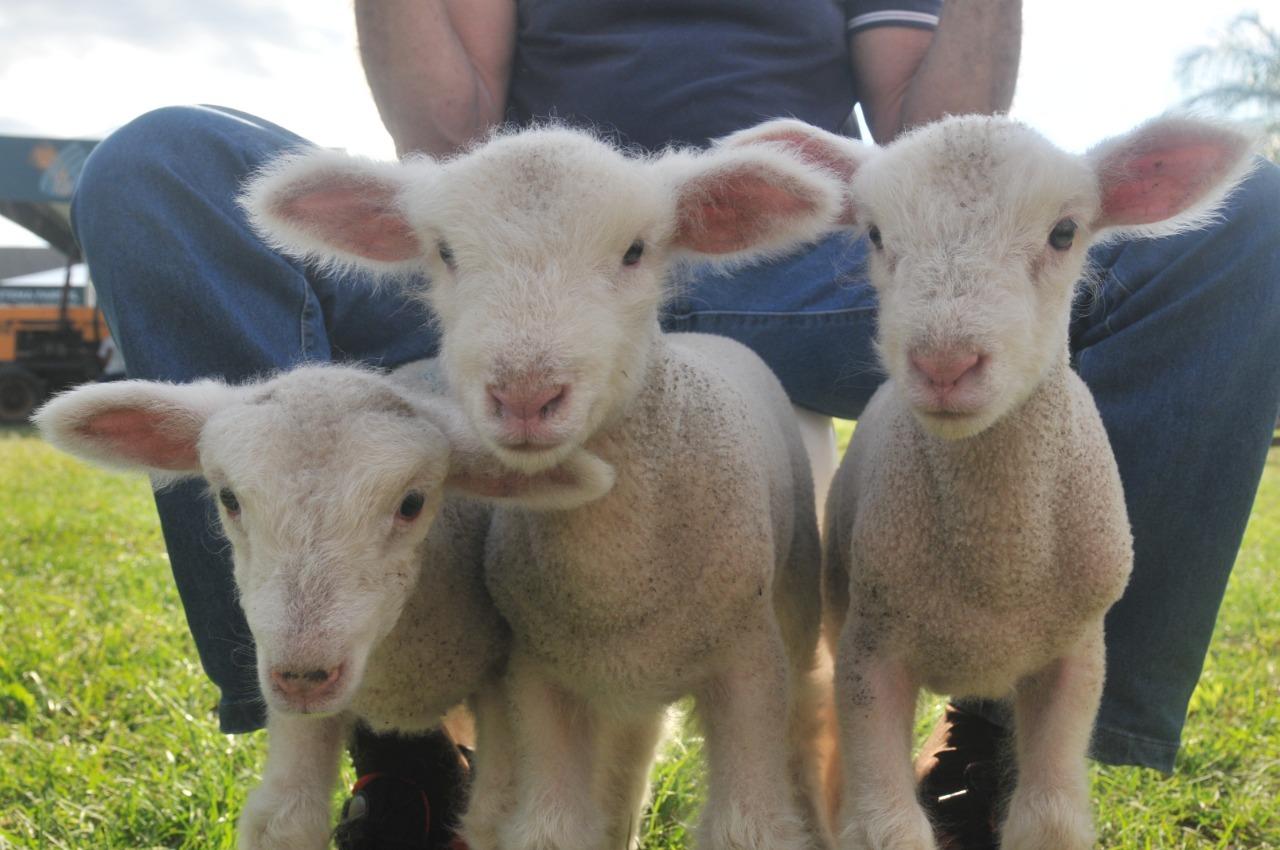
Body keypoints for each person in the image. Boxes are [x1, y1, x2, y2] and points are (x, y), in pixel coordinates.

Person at [68, 1, 1280, 848]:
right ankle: (382, 735)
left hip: (791, 232)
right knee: (160, 167)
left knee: (1256, 214)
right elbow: (445, 130)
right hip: (521, 253)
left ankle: (999, 731)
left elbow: (930, 141)